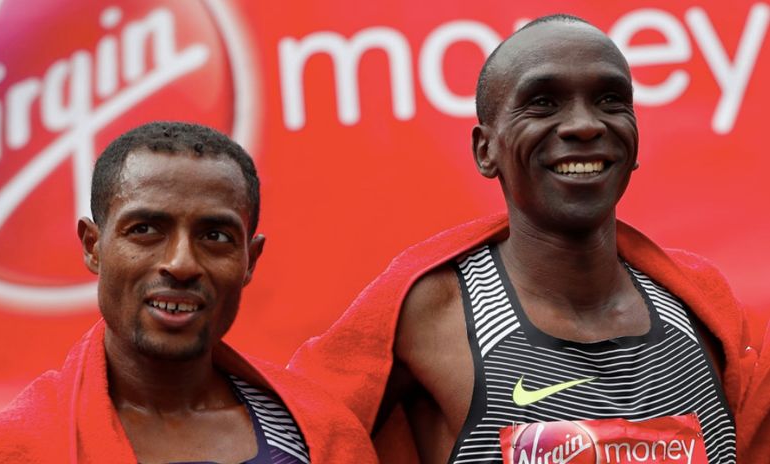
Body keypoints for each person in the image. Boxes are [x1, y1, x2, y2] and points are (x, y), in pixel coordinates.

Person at [289, 14, 770, 463]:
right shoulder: (431, 313)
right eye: (542, 102)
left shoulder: (699, 306)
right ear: (485, 150)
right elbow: (298, 432)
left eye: (610, 100)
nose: (585, 125)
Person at [0, 122, 377, 463]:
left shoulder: (318, 434)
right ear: (93, 247)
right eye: (145, 230)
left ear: (250, 259)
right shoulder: (15, 446)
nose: (182, 264)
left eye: (215, 236)